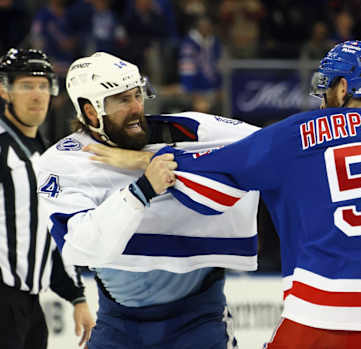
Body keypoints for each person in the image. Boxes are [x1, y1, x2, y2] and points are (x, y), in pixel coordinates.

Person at [157, 40, 361, 348]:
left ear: (344, 87)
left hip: (320, 318)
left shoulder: (297, 132)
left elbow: (217, 167)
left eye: (327, 85)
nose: (322, 99)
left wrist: (151, 161)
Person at [36, 51, 260, 349]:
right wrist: (142, 190)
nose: (136, 108)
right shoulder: (65, 161)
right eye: (121, 100)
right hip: (117, 325)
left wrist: (144, 160)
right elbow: (83, 248)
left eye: (137, 95)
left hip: (198, 321)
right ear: (91, 112)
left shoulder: (189, 129)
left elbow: (265, 149)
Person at [0, 48, 94, 349]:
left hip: (30, 306)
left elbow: (49, 234)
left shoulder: (45, 154)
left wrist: (77, 296)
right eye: (27, 85)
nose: (37, 95)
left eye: (43, 86)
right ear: (5, 90)